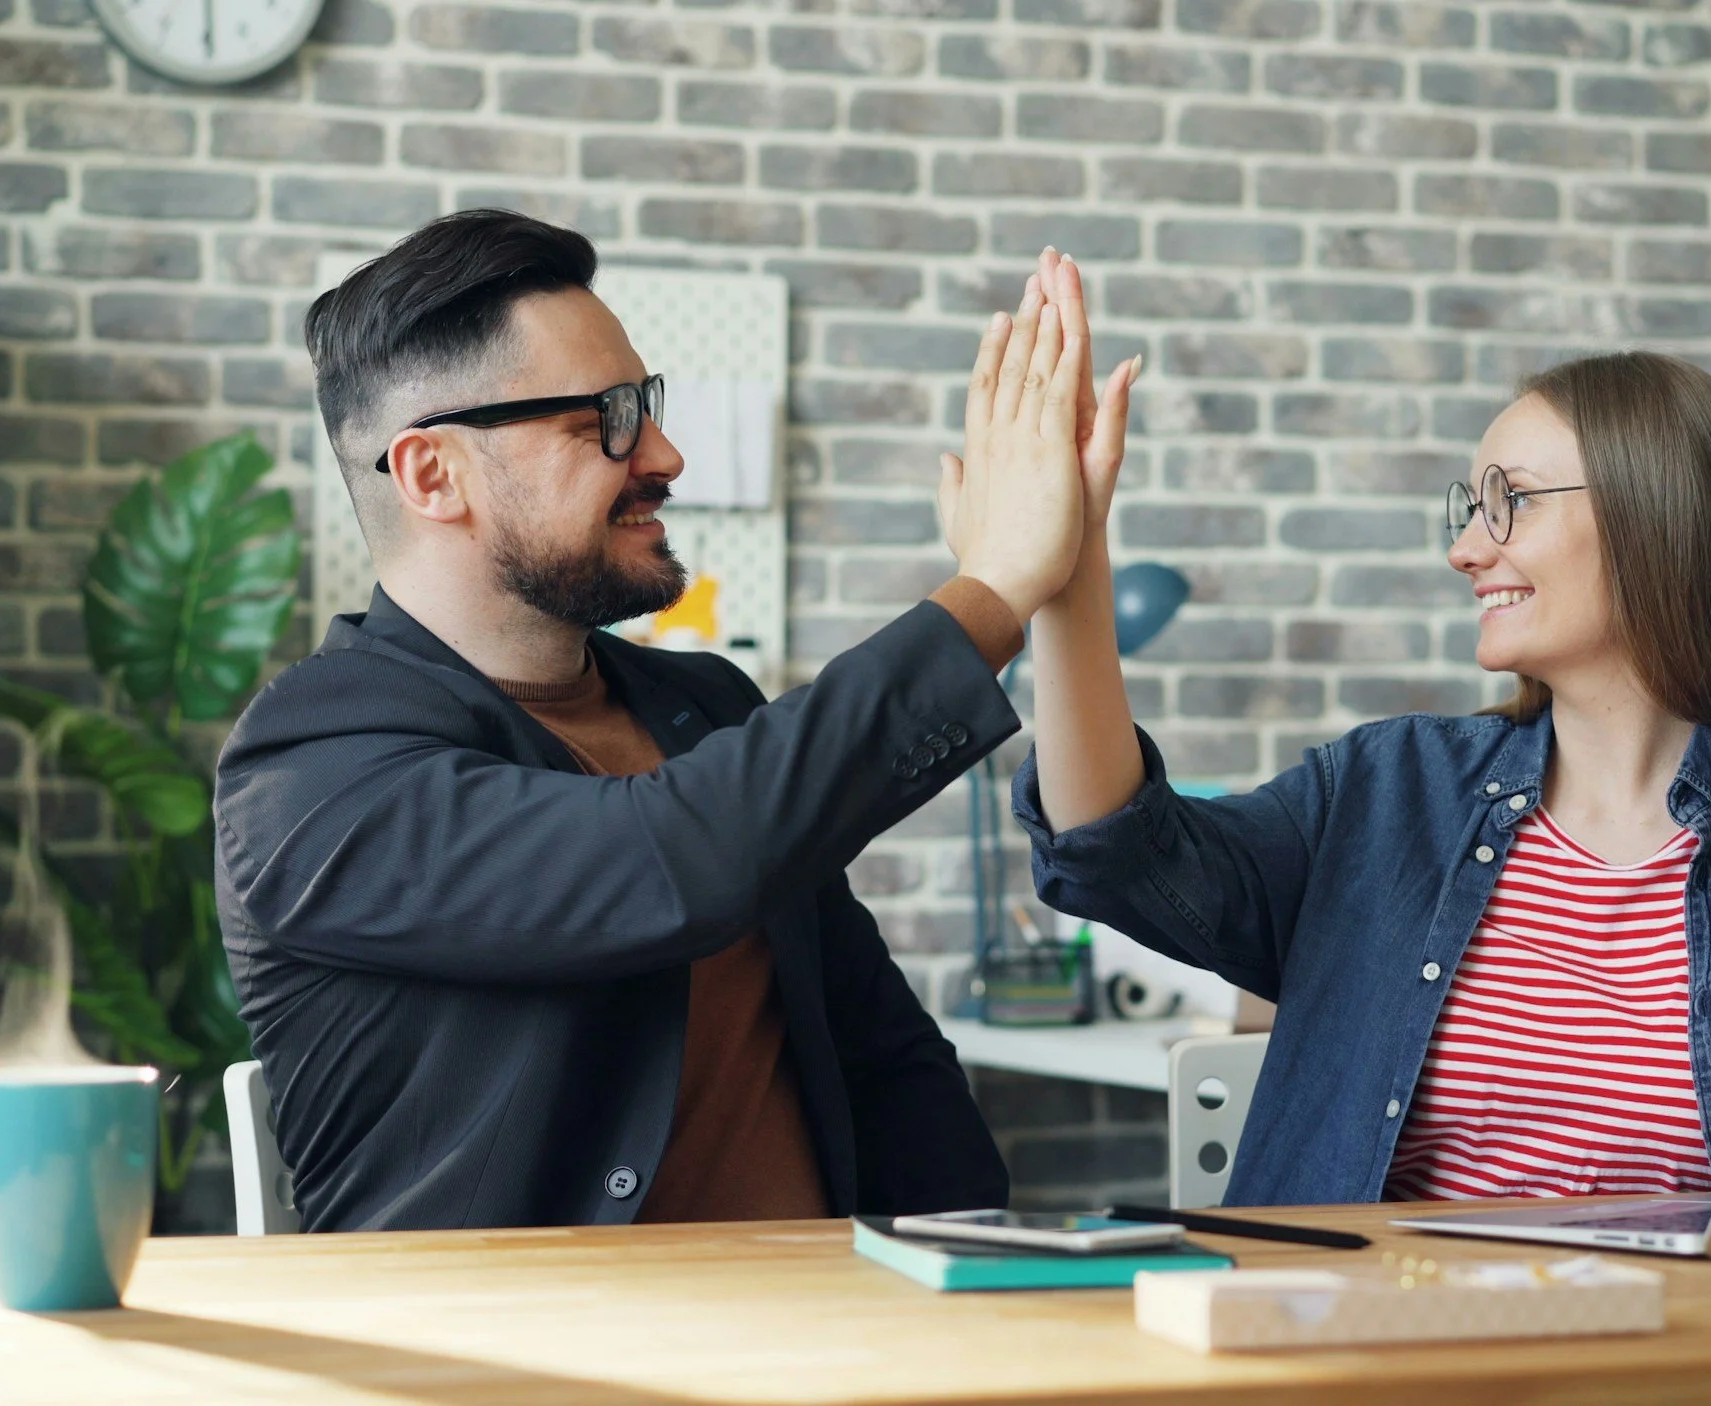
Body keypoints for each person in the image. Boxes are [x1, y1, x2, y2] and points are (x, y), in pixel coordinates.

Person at [997, 299, 1711, 1203]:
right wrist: (1069, 577)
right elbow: (1112, 849)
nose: (1469, 548)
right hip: (1381, 1358)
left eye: (1507, 499)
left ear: (1653, 511)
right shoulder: (1382, 795)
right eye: (1466, 507)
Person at [213, 210, 1113, 1230]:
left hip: (831, 1341)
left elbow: (880, 1053)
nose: (666, 454)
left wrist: (972, 1286)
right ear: (433, 473)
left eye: (646, 404)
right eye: (603, 417)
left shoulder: (706, 707)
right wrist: (991, 592)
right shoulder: (307, 769)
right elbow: (670, 860)